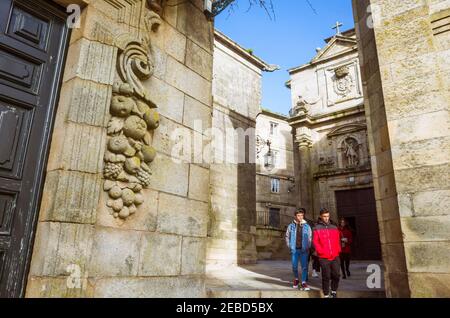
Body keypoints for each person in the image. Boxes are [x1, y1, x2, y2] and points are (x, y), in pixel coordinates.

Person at [313, 208, 341, 298]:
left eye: (328, 216)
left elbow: (338, 240)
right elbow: (315, 242)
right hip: (323, 256)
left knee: (336, 275)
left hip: (335, 255)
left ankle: (333, 291)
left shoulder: (334, 227)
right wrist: (320, 252)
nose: (326, 218)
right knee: (326, 276)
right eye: (324, 216)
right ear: (321, 217)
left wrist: (338, 250)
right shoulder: (316, 228)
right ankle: (326, 294)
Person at [285, 208, 312, 291]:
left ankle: (303, 282)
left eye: (301, 215)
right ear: (295, 216)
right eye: (298, 215)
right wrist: (290, 246)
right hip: (295, 250)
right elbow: (287, 236)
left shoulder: (307, 226)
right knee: (294, 266)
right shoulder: (291, 226)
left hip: (304, 250)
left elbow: (310, 237)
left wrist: (308, 246)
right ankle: (296, 279)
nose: (300, 217)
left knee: (304, 267)